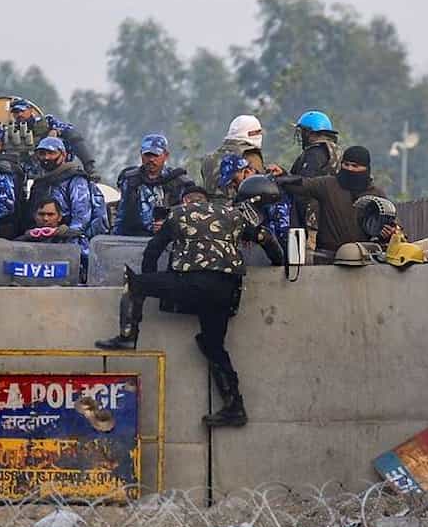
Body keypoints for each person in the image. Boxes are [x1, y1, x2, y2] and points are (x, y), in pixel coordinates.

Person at [94, 176, 286, 427]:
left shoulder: (178, 214)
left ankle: (128, 335)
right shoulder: (232, 215)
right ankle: (234, 406)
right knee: (213, 344)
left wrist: (150, 280)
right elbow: (265, 238)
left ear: (185, 201)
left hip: (190, 284)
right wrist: (279, 264)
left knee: (135, 282)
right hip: (226, 290)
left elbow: (153, 249)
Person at [270, 146, 384, 255]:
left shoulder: (376, 195)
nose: (349, 169)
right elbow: (303, 184)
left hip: (363, 259)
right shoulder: (328, 185)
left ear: (366, 168)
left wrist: (386, 232)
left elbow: (391, 227)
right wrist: (283, 176)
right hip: (327, 259)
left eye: (355, 166)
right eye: (346, 164)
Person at [113, 133, 195, 237]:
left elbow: (191, 217)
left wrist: (168, 224)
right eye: (147, 155)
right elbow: (122, 215)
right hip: (134, 240)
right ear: (141, 155)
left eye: (156, 155)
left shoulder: (179, 182)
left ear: (166, 155)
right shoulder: (130, 180)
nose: (151, 159)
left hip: (168, 241)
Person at [287, 110, 341, 249]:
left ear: (311, 133)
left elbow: (304, 184)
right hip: (331, 219)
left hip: (313, 221)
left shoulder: (314, 154)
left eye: (303, 131)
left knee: (309, 261)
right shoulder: (335, 152)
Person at [7, 97, 96, 176]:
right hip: (32, 169)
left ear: (30, 110)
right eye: (15, 112)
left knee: (73, 136)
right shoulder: (12, 131)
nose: (19, 115)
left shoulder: (47, 122)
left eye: (22, 111)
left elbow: (69, 130)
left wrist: (56, 131)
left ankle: (90, 167)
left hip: (59, 165)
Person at [27, 137, 95, 239]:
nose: (46, 158)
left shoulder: (75, 179)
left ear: (63, 155)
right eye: (42, 154)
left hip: (69, 240)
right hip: (41, 239)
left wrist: (67, 234)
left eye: (51, 153)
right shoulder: (39, 182)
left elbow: (82, 216)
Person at [219, 155, 290, 248]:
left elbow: (281, 226)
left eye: (235, 180)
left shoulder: (269, 188)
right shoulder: (242, 195)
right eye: (230, 183)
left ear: (247, 171)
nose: (233, 185)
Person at [200, 115, 264, 199]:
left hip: (211, 208)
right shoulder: (250, 155)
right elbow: (261, 186)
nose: (260, 135)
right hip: (236, 209)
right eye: (257, 132)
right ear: (251, 133)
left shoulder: (208, 158)